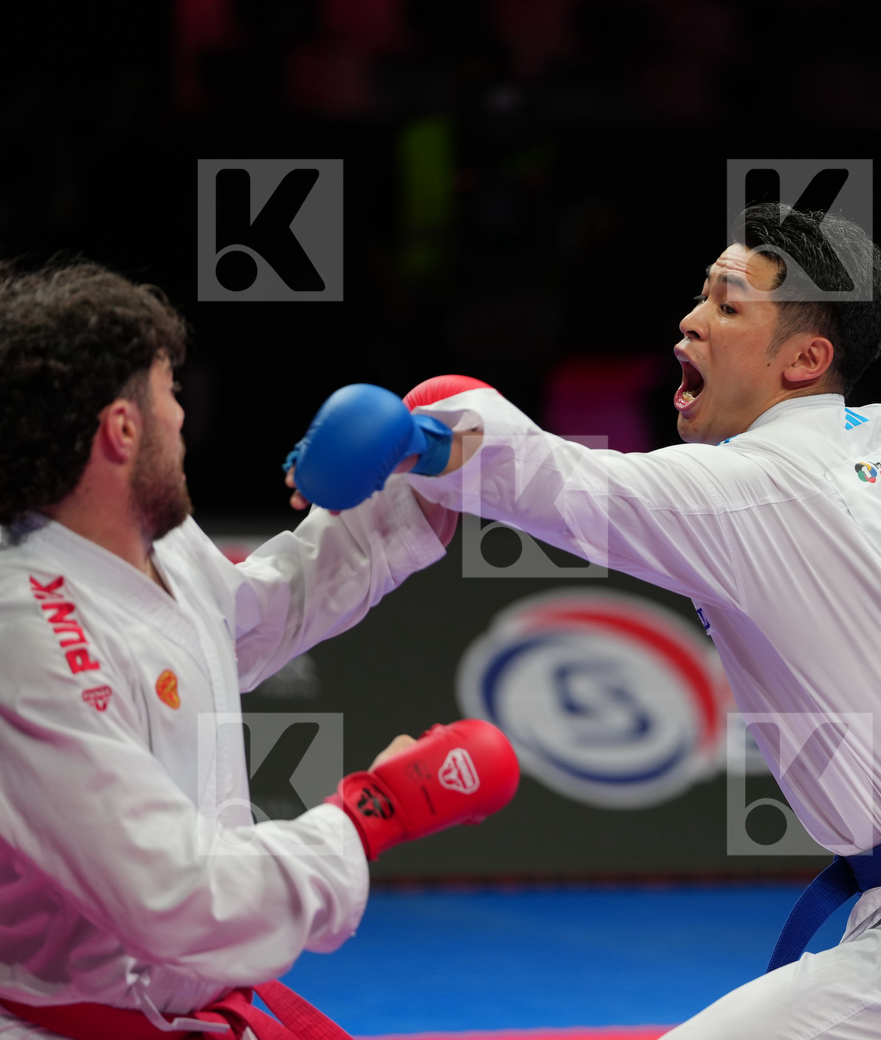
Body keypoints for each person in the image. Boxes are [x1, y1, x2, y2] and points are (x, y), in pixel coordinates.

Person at [288, 204, 881, 1038]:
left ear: (805, 360)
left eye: (728, 307)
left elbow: (568, 487)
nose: (689, 323)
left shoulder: (757, 485)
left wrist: (428, 431)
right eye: (700, 298)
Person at [0, 261, 519, 1040]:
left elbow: (248, 620)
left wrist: (411, 470)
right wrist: (373, 810)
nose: (183, 416)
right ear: (122, 429)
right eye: (169, 392)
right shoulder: (26, 628)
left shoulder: (157, 547)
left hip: (201, 1014)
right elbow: (172, 895)